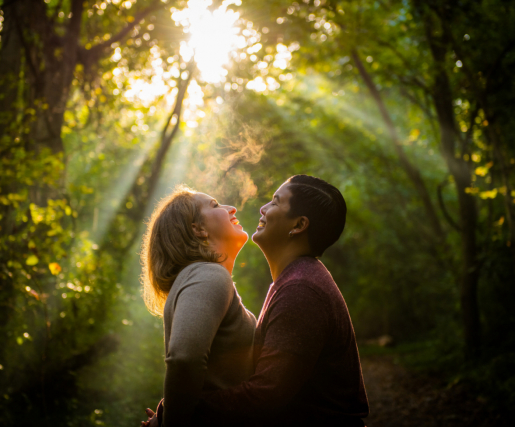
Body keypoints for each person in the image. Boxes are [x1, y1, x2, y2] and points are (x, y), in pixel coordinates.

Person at [149, 174, 369, 427]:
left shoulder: (301, 288)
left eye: (275, 202)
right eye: (215, 206)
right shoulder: (293, 281)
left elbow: (267, 393)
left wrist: (171, 418)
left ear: (298, 225)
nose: (262, 208)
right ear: (196, 229)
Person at [140, 185, 257, 427]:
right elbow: (184, 358)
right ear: (198, 229)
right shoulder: (209, 274)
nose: (231, 208)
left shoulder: (201, 277)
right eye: (215, 205)